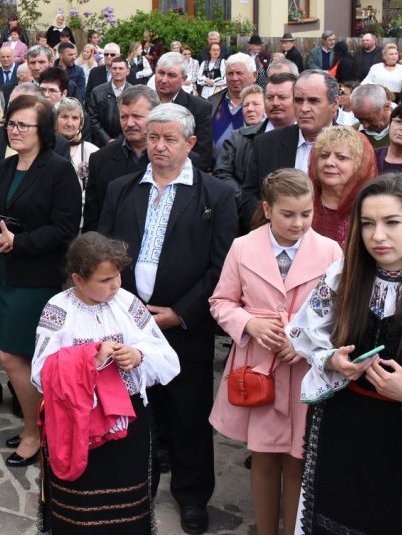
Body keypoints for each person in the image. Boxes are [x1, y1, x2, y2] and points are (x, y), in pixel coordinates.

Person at [287, 174, 402, 535]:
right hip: (341, 425)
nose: (378, 236)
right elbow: (303, 331)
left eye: (392, 222)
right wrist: (332, 360)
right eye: (368, 224)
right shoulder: (344, 276)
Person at [97, 103, 238, 534]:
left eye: (169, 139)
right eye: (153, 137)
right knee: (135, 410)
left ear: (191, 144)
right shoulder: (122, 188)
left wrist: (180, 313)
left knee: (188, 413)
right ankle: (133, 490)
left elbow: (222, 268)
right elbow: (101, 251)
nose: (158, 146)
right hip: (128, 323)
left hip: (184, 326)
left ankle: (192, 497)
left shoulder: (216, 195)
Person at [209, 170, 342, 535]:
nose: (298, 223)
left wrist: (304, 342)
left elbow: (339, 312)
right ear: (267, 209)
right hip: (259, 366)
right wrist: (249, 324)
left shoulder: (331, 251)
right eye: (288, 214)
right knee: (264, 455)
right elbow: (221, 301)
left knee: (298, 456)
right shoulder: (243, 247)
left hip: (305, 368)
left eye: (306, 214)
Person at [33, 232, 180, 534]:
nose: (115, 285)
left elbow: (166, 355)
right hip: (76, 423)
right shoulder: (58, 309)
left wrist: (139, 354)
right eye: (105, 280)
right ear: (77, 279)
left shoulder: (127, 303)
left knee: (128, 505)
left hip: (129, 419)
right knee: (82, 510)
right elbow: (41, 372)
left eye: (117, 276)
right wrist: (91, 359)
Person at [0, 95, 82, 466]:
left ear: (43, 131)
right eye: (11, 122)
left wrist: (19, 242)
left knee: (12, 356)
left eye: (23, 124)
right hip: (4, 274)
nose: (15, 129)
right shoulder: (6, 167)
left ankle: (35, 431)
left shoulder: (59, 170)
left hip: (37, 280)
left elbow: (65, 228)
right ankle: (41, 423)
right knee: (18, 357)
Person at [240, 70, 341, 224]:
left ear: (334, 103)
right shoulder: (266, 144)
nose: (304, 108)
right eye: (299, 100)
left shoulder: (353, 145)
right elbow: (250, 199)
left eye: (313, 101)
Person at [82, 85, 159, 232]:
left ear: (154, 116)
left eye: (137, 116)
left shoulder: (172, 159)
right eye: (124, 117)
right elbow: (92, 219)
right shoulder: (100, 159)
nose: (129, 123)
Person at [308, 126, 377, 247]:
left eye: (341, 157)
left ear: (360, 165)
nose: (329, 162)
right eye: (324, 156)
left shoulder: (371, 208)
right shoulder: (303, 204)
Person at [152, 52, 214, 172]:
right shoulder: (143, 103)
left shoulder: (200, 108)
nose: (164, 80)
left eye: (171, 75)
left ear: (184, 79)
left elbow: (203, 157)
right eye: (161, 73)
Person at [211, 82, 270, 198]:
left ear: (266, 107)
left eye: (256, 104)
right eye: (246, 105)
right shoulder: (234, 137)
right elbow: (222, 172)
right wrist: (243, 199)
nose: (250, 109)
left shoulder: (274, 135)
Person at [207, 53, 258, 157]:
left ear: (254, 76)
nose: (234, 78)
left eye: (239, 73)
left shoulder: (265, 105)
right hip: (212, 171)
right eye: (230, 73)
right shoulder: (211, 103)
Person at [56, 97, 98, 208]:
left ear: (81, 123)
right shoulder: (45, 148)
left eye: (75, 118)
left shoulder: (92, 152)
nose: (69, 123)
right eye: (64, 116)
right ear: (55, 120)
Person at [85, 55, 132, 147]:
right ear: (110, 70)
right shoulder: (97, 92)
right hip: (100, 143)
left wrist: (119, 140)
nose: (117, 71)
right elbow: (92, 119)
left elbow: (135, 119)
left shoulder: (134, 93)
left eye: (121, 68)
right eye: (114, 68)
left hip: (126, 143)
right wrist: (107, 140)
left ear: (127, 71)